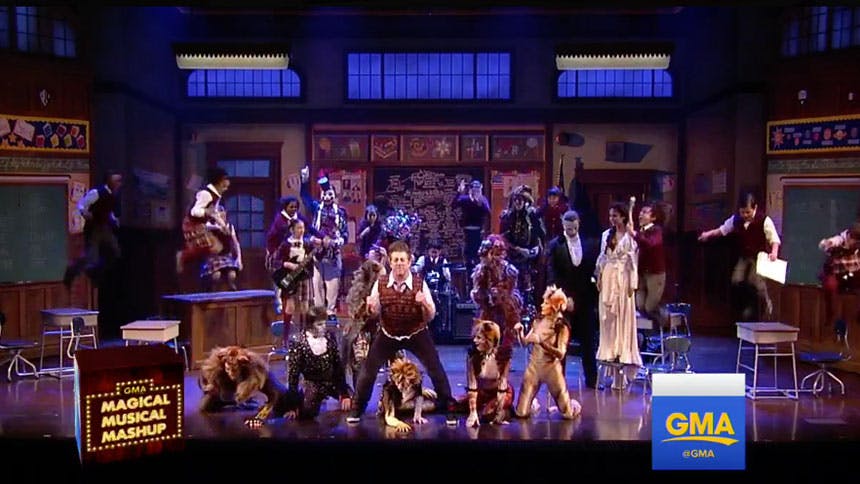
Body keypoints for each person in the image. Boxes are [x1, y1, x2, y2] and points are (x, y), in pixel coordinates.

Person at [346, 240, 458, 426]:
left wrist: (424, 303)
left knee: (436, 369)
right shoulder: (381, 283)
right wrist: (370, 308)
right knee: (368, 371)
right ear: (390, 262)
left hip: (416, 333)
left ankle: (449, 408)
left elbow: (431, 316)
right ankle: (357, 408)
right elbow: (374, 313)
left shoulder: (419, 283)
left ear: (409, 262)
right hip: (389, 333)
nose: (399, 264)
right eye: (396, 260)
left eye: (402, 260)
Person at [698, 192, 781, 318]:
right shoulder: (736, 219)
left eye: (748, 212)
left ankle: (765, 305)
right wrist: (707, 234)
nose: (745, 215)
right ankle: (745, 307)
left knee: (757, 283)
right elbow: (722, 230)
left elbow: (774, 239)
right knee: (736, 279)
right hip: (744, 256)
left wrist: (774, 253)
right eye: (742, 212)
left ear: (755, 208)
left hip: (758, 258)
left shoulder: (764, 220)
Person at [545, 210, 599, 389]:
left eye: (574, 227)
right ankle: (559, 381)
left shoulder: (589, 243)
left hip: (585, 299)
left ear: (578, 224)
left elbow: (593, 270)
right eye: (568, 228)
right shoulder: (555, 245)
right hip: (564, 300)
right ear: (563, 225)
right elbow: (552, 274)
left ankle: (592, 380)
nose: (571, 231)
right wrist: (563, 297)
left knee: (588, 341)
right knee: (562, 342)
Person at [513, 286, 581, 420]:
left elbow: (561, 353)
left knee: (568, 415)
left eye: (546, 303)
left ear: (556, 306)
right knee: (521, 413)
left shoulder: (561, 326)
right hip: (534, 367)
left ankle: (572, 405)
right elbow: (525, 342)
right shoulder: (538, 321)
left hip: (551, 369)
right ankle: (532, 403)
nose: (542, 305)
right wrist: (519, 333)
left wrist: (542, 343)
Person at [595, 201, 641, 390]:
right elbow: (602, 258)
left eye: (615, 215)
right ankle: (610, 355)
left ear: (623, 216)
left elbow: (634, 260)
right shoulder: (606, 235)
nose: (612, 219)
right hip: (608, 279)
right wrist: (599, 276)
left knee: (622, 320)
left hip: (623, 281)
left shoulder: (631, 236)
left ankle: (622, 368)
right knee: (609, 320)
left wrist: (632, 283)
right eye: (610, 215)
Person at [287, 306, 352, 419]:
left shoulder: (329, 337)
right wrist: (292, 405)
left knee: (354, 402)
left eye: (324, 323)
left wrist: (344, 393)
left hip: (331, 382)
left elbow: (338, 367)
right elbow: (293, 375)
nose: (323, 327)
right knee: (307, 413)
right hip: (312, 383)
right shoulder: (299, 342)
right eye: (319, 324)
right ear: (310, 325)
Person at [300, 166, 348, 318]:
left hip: (333, 255)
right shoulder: (316, 208)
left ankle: (331, 313)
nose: (327, 197)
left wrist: (335, 242)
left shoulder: (340, 212)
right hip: (317, 254)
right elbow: (305, 198)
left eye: (330, 194)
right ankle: (319, 315)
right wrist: (304, 181)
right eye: (325, 194)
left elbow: (345, 235)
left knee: (332, 287)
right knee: (317, 285)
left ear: (334, 195)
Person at [64, 170, 123, 288]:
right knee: (90, 257)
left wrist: (114, 220)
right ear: (109, 181)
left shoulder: (113, 195)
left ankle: (96, 273)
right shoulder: (97, 192)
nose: (118, 183)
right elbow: (81, 204)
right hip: (94, 228)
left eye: (119, 181)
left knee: (115, 252)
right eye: (116, 180)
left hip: (105, 227)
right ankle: (72, 271)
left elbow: (108, 210)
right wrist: (84, 212)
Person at [265, 195, 320, 315]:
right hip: (280, 251)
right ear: (285, 207)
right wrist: (275, 254)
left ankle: (303, 317)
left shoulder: (298, 218)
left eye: (295, 207)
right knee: (281, 279)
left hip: (296, 256)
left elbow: (310, 228)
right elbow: (272, 239)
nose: (294, 209)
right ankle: (279, 302)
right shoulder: (279, 220)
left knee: (300, 286)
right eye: (291, 207)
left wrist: (321, 237)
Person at [273, 218, 322, 346]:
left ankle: (304, 336)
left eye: (303, 228)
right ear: (292, 229)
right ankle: (285, 338)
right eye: (299, 228)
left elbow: (316, 258)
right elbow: (276, 261)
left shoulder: (307, 244)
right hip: (290, 278)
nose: (301, 231)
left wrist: (321, 247)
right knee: (290, 307)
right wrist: (288, 264)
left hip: (304, 278)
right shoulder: (285, 245)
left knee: (305, 307)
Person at [500, 184, 545, 316]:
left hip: (530, 258)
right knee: (512, 287)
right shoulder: (507, 217)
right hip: (512, 257)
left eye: (521, 200)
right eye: (516, 200)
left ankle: (529, 313)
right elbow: (503, 238)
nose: (518, 203)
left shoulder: (532, 215)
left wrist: (535, 249)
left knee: (529, 288)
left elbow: (541, 235)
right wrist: (518, 249)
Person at [470, 234, 522, 350]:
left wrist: (500, 293)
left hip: (506, 306)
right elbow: (477, 290)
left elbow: (510, 289)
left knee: (505, 336)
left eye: (498, 254)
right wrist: (482, 294)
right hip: (488, 306)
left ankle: (503, 352)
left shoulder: (509, 270)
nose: (495, 258)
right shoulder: (481, 270)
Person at [176, 167, 231, 274]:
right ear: (220, 181)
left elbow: (214, 213)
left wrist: (223, 226)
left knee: (217, 247)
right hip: (192, 224)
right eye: (225, 181)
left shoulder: (215, 196)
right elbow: (194, 211)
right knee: (214, 246)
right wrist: (206, 212)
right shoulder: (206, 194)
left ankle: (191, 258)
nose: (227, 186)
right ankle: (183, 256)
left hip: (200, 224)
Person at [818, 221, 860, 328]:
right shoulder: (840, 239)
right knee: (830, 286)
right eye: (853, 240)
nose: (854, 243)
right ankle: (830, 316)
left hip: (852, 273)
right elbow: (827, 243)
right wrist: (828, 243)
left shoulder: (857, 246)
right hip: (838, 274)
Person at [633, 201, 667, 331]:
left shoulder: (656, 230)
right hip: (641, 272)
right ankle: (648, 332)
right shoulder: (640, 232)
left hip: (655, 273)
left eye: (645, 213)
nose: (641, 215)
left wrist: (636, 235)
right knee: (640, 305)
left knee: (650, 306)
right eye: (641, 212)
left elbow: (651, 244)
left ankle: (667, 320)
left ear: (653, 217)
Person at [452, 179, 490, 281]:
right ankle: (469, 281)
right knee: (468, 258)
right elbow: (454, 205)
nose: (475, 191)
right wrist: (459, 192)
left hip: (478, 232)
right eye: (473, 189)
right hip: (467, 232)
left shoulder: (483, 200)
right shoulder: (465, 199)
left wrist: (479, 201)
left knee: (479, 257)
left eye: (478, 189)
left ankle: (479, 280)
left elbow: (488, 211)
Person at [200, 205, 243, 292]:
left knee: (232, 275)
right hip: (212, 257)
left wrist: (239, 258)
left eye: (223, 213)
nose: (222, 215)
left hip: (226, 255)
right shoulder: (208, 226)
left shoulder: (229, 227)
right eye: (219, 213)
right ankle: (210, 290)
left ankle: (231, 291)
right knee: (216, 276)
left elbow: (235, 243)